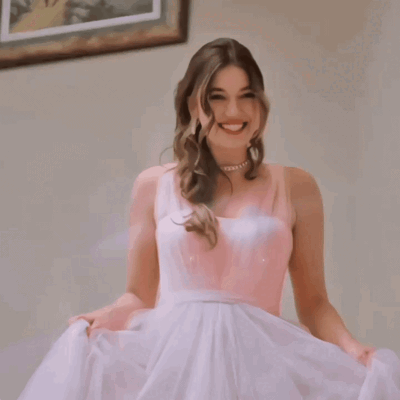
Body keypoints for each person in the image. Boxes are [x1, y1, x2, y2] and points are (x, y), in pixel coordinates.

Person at [17, 38, 400, 399]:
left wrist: (354, 349)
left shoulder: (297, 186)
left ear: (262, 103)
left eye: (246, 96)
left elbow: (314, 302)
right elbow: (139, 295)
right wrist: (105, 316)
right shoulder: (154, 185)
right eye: (217, 97)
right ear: (192, 105)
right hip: (172, 362)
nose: (233, 111)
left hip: (263, 367)